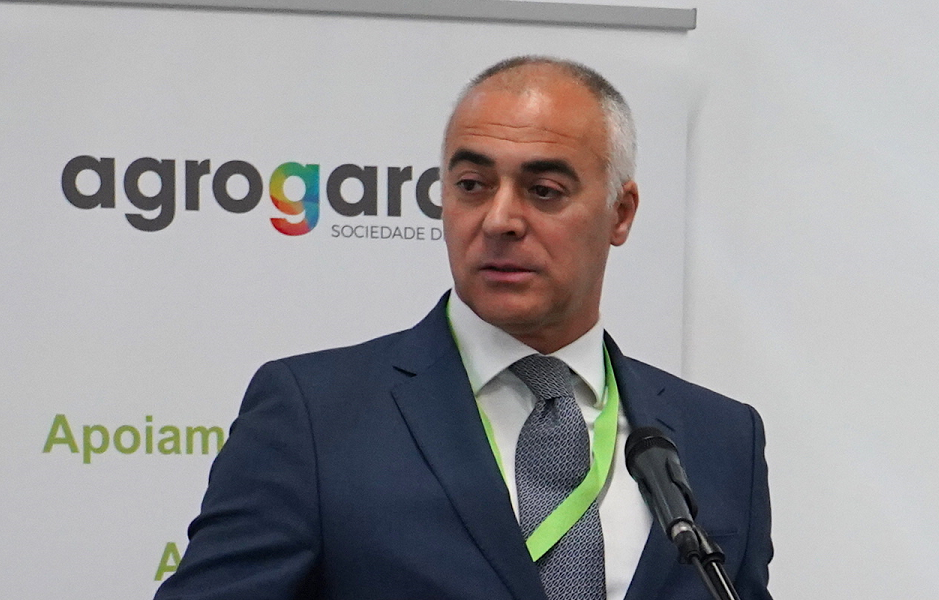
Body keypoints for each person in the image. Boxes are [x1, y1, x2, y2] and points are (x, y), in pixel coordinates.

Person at [154, 56, 772, 600]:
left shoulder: (722, 439)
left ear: (621, 212)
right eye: (472, 186)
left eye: (544, 191)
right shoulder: (315, 416)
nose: (500, 219)